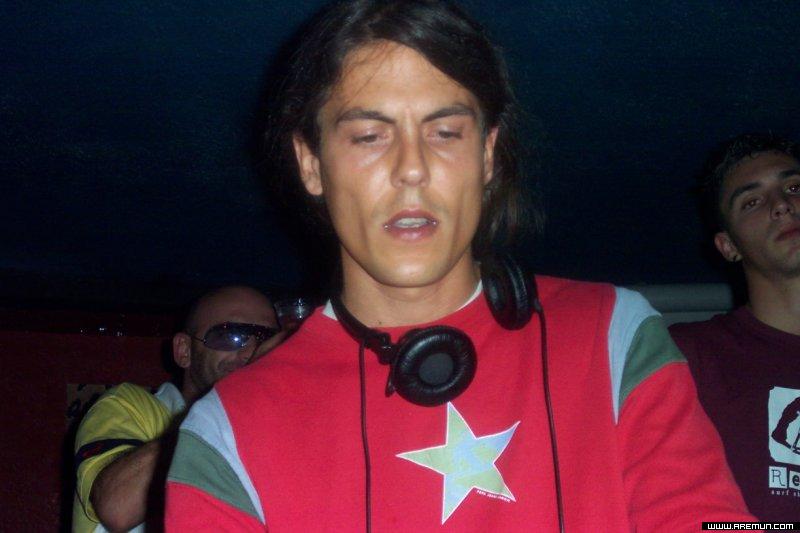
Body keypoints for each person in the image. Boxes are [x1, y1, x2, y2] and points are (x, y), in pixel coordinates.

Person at [166, 1, 752, 530]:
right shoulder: (226, 434)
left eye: (445, 132)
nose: (412, 168)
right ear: (312, 165)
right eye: (369, 136)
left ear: (487, 155)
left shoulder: (616, 336)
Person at [73, 286, 284, 532]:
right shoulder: (130, 405)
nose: (251, 351)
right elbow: (117, 507)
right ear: (184, 351)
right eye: (229, 335)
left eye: (265, 339)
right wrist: (228, 407)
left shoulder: (268, 433)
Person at [669, 133, 800, 520]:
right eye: (752, 201)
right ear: (728, 246)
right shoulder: (683, 357)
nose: (783, 205)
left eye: (794, 187)